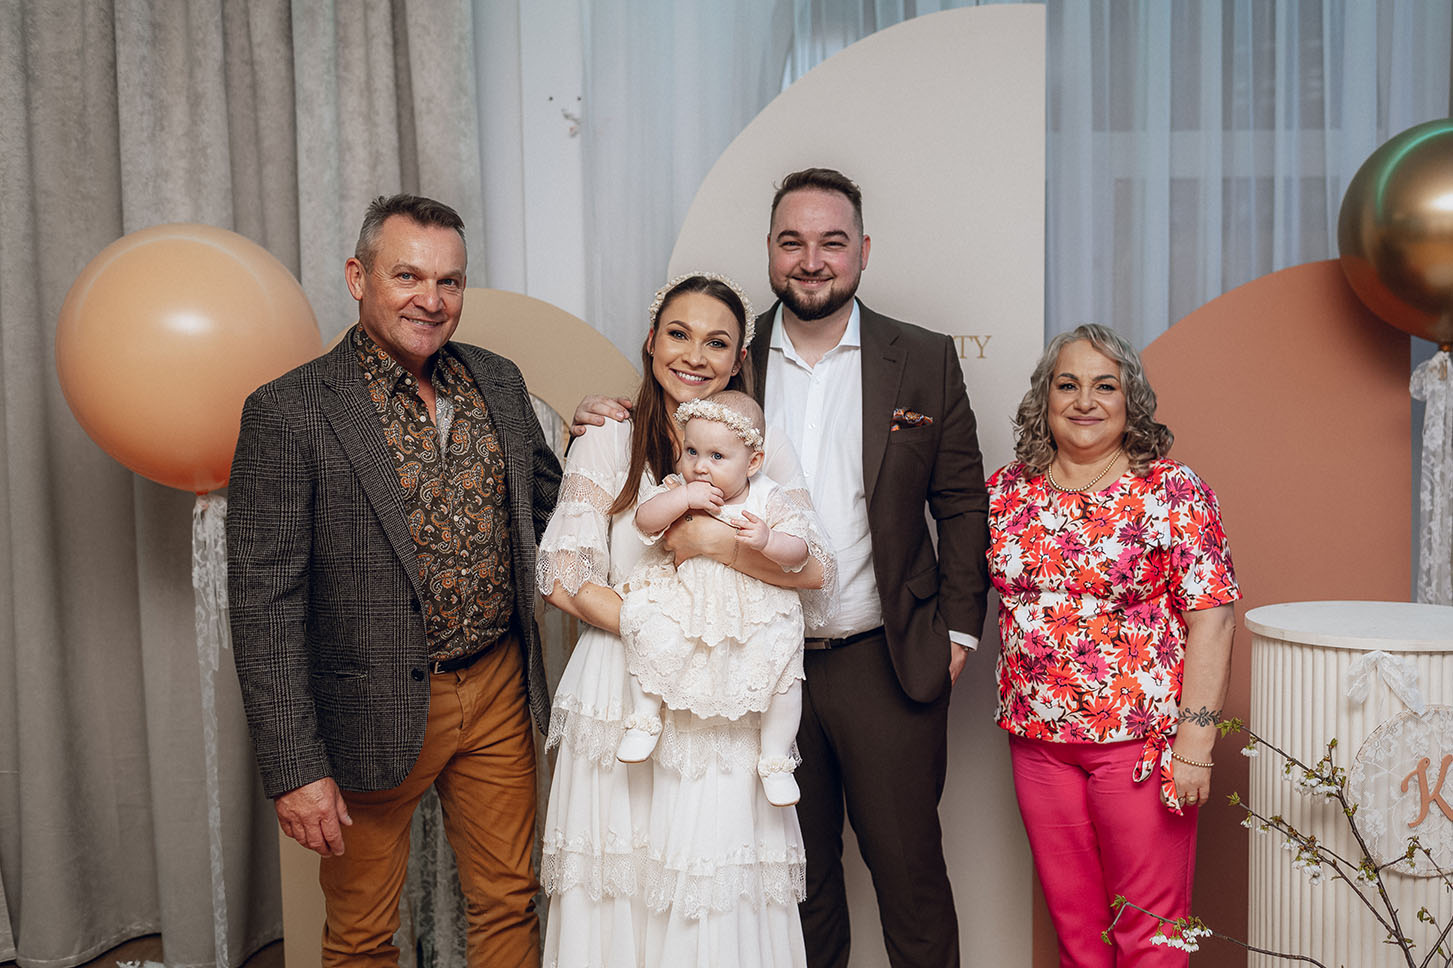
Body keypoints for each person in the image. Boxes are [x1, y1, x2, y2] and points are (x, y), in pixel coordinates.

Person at [574, 168, 989, 968]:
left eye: (832, 242)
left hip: (883, 656)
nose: (811, 260)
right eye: (791, 242)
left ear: (862, 250)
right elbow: (663, 416)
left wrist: (959, 632)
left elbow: (962, 501)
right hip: (754, 665)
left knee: (909, 879)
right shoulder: (732, 359)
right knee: (793, 891)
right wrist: (597, 413)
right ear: (768, 250)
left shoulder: (922, 358)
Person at [227, 194, 561, 967]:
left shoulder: (497, 382)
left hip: (496, 682)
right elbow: (264, 607)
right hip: (369, 705)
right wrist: (295, 768)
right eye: (407, 275)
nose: (431, 300)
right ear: (358, 277)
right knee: (361, 933)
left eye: (449, 281)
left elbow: (553, 511)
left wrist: (617, 440)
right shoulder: (289, 412)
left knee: (510, 901)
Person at [538, 272, 837, 968]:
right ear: (650, 342)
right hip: (626, 689)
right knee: (621, 891)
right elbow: (564, 577)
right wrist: (665, 637)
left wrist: (715, 545)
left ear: (739, 359)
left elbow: (815, 570)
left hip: (724, 705)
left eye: (717, 342)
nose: (694, 356)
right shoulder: (609, 436)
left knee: (713, 894)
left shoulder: (762, 445)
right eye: (678, 334)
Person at [986, 323, 1238, 967]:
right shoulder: (1006, 490)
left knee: (1150, 935)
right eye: (1067, 385)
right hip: (1037, 744)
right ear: (1044, 398)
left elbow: (1213, 618)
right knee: (1078, 934)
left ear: (1131, 400)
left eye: (1105, 386)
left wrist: (1196, 745)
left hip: (1142, 746)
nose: (1084, 401)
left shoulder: (1172, 490)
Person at [616, 390, 817, 809]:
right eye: (691, 451)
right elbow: (645, 522)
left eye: (717, 457)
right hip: (687, 599)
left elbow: (801, 551)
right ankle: (644, 718)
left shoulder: (768, 496)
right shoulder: (679, 487)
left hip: (753, 608)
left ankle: (776, 759)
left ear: (753, 462)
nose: (700, 466)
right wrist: (682, 499)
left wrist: (769, 540)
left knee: (783, 670)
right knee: (647, 627)